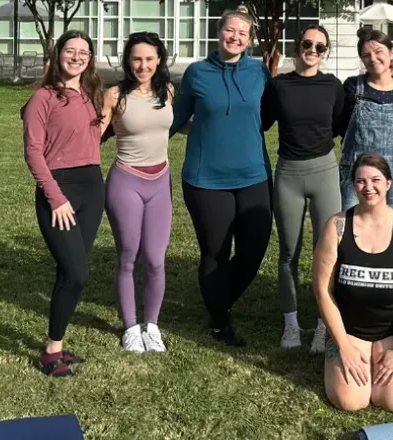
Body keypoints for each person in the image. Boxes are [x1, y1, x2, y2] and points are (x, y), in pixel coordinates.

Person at [169, 8, 272, 347]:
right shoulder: (197, 73)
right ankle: (219, 320)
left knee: (253, 250)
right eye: (231, 30)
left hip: (254, 174)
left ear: (249, 40)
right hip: (206, 179)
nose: (236, 37)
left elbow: (269, 115)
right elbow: (175, 118)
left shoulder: (259, 71)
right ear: (219, 32)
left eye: (243, 33)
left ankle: (218, 298)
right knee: (215, 251)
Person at [312, 153, 393, 412]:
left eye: (375, 180)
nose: (368, 188)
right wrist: (343, 345)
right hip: (350, 332)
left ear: (388, 183)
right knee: (350, 401)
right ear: (353, 185)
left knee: (392, 400)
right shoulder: (336, 227)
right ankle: (349, 352)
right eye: (360, 181)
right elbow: (323, 291)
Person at [21, 30, 104, 377]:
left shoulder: (90, 95)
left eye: (84, 52)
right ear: (58, 55)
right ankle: (51, 352)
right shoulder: (42, 97)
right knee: (77, 273)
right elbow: (33, 152)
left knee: (69, 272)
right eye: (70, 51)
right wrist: (55, 197)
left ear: (90, 59)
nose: (77, 57)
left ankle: (56, 347)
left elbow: (93, 136)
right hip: (61, 191)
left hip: (92, 187)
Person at [261, 24, 344, 352]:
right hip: (289, 176)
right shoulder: (279, 86)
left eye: (320, 47)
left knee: (328, 252)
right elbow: (262, 121)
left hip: (325, 171)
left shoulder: (333, 86)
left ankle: (324, 325)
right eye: (307, 44)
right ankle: (291, 325)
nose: (312, 50)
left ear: (326, 52)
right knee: (288, 253)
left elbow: (339, 124)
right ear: (297, 47)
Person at [101, 32, 174, 353]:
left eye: (149, 59)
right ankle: (131, 326)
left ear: (159, 60)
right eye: (136, 59)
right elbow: (92, 136)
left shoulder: (168, 91)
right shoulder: (114, 95)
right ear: (127, 61)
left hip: (160, 183)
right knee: (129, 256)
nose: (143, 65)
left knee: (156, 260)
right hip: (125, 182)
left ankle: (152, 326)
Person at [337, 28, 393, 216]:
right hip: (356, 178)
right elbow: (341, 127)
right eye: (366, 55)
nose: (372, 58)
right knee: (352, 231)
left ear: (391, 52)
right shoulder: (351, 87)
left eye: (378, 52)